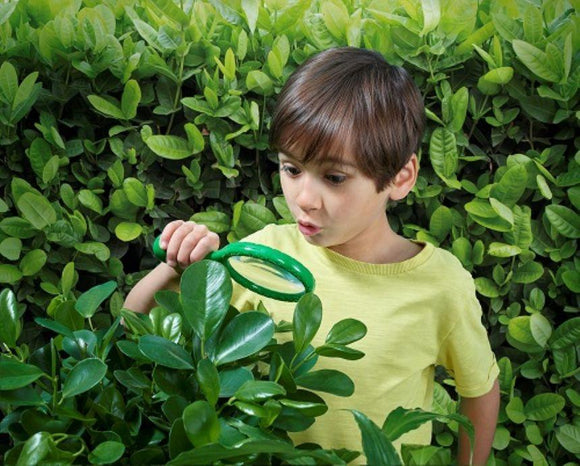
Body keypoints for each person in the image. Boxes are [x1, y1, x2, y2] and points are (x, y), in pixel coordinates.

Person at [124, 47, 500, 464]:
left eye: (334, 177)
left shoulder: (440, 284)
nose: (304, 199)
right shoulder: (264, 253)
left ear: (401, 177)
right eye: (291, 168)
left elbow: (480, 390)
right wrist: (173, 268)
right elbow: (136, 330)